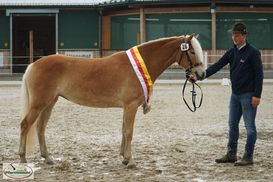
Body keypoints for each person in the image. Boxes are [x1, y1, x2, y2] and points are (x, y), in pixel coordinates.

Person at [205, 22, 264, 166]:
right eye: (233, 35)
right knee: (232, 125)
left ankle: (248, 156)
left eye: (237, 35)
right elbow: (218, 65)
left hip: (249, 95)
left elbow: (259, 75)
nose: (234, 38)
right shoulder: (232, 52)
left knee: (249, 127)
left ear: (244, 36)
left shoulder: (253, 52)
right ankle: (231, 154)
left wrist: (257, 95)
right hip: (235, 95)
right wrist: (201, 75)